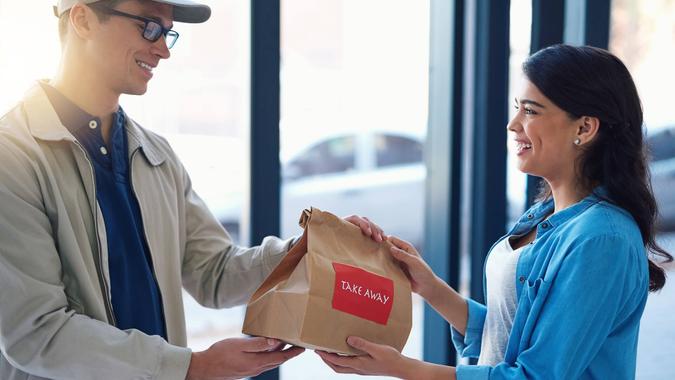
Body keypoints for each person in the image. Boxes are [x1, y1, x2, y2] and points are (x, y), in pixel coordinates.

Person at [0, 1, 386, 379]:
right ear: (83, 19)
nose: (163, 50)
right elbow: (37, 332)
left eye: (168, 33)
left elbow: (213, 273)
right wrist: (192, 367)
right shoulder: (13, 156)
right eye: (149, 26)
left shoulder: (156, 155)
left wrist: (301, 252)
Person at [317, 44, 674, 379]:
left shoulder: (601, 239)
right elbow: (508, 333)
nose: (513, 123)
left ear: (584, 127)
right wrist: (430, 287)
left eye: (531, 110)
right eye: (516, 107)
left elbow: (538, 374)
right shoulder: (545, 215)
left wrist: (404, 368)